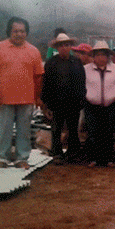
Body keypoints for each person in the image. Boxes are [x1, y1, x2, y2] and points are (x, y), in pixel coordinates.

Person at [0, 17, 44, 169]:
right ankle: (2, 158)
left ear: (26, 33)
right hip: (4, 99)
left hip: (26, 100)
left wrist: (37, 97)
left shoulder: (33, 51)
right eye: (15, 31)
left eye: (22, 31)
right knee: (4, 130)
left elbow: (38, 76)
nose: (19, 34)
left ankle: (21, 158)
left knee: (24, 131)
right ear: (9, 32)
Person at [41, 33, 86, 164]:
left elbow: (81, 82)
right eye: (61, 45)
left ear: (70, 46)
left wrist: (81, 99)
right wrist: (46, 104)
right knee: (56, 129)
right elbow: (46, 84)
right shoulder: (51, 63)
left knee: (73, 129)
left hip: (73, 102)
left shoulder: (77, 62)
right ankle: (57, 154)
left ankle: (73, 153)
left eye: (67, 45)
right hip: (57, 102)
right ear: (57, 47)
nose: (64, 48)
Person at [84, 41, 115, 167]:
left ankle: (108, 159)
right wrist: (86, 97)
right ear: (94, 56)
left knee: (108, 132)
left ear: (108, 56)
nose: (101, 58)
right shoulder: (86, 69)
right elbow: (81, 85)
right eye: (98, 55)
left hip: (110, 105)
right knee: (93, 132)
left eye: (104, 55)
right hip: (91, 106)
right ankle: (94, 159)